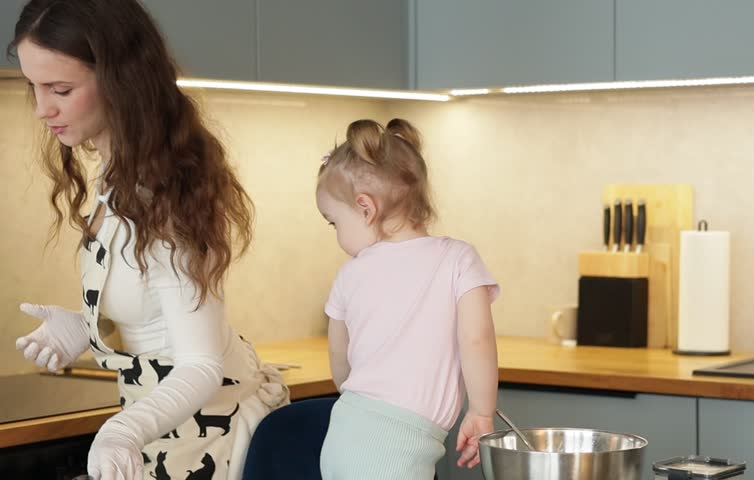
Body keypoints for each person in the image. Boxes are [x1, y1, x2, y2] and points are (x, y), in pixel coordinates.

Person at [7, 1, 289, 479]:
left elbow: (200, 364)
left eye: (60, 89)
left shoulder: (165, 197)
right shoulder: (115, 178)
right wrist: (87, 327)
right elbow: (153, 304)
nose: (41, 109)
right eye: (33, 87)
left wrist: (121, 432)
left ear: (121, 82)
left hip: (206, 432)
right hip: (159, 419)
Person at [315, 118, 500, 479]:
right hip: (397, 447)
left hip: (344, 431)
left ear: (365, 208)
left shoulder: (349, 273)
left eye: (334, 222)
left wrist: (359, 398)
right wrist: (481, 412)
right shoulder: (458, 259)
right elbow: (477, 339)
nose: (337, 235)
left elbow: (339, 354)